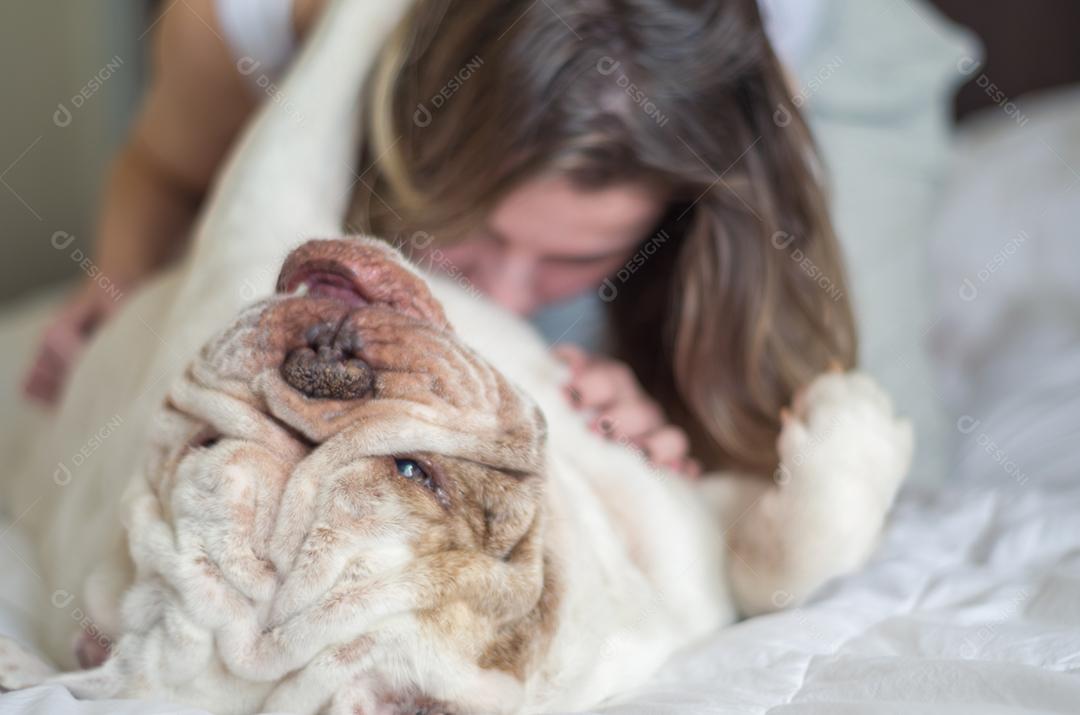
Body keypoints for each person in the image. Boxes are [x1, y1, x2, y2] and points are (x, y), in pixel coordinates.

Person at [23, 0, 855, 479]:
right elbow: (165, 169)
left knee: (828, 452)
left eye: (574, 257)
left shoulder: (751, 66)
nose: (502, 295)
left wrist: (670, 426)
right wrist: (115, 281)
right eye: (470, 233)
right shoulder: (245, 20)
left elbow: (756, 402)